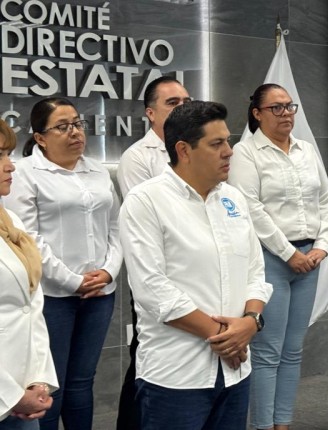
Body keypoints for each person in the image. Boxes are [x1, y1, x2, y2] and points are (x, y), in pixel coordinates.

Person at [119, 101, 271, 430]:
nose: (229, 151)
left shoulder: (233, 199)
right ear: (184, 150)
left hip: (235, 372)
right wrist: (225, 338)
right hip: (177, 374)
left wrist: (251, 321)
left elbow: (255, 272)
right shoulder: (145, 201)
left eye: (227, 141)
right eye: (216, 144)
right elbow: (153, 290)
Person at [5, 98, 123, 430]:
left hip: (101, 293)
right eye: (62, 126)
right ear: (40, 137)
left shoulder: (97, 170)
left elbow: (116, 226)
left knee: (82, 382)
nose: (75, 132)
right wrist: (73, 281)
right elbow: (28, 238)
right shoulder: (25, 173)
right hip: (53, 297)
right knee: (49, 386)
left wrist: (109, 271)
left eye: (77, 123)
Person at [228, 83, 328, 430]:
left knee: (293, 350)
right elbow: (250, 207)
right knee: (267, 351)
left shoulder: (306, 150)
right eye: (276, 107)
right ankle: (263, 425)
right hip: (270, 259)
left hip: (310, 258)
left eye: (290, 106)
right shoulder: (246, 152)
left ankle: (283, 424)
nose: (286, 113)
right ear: (257, 113)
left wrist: (322, 245)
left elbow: (326, 199)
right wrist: (289, 253)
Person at [115, 75, 191, 430]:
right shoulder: (137, 157)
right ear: (150, 113)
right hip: (158, 272)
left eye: (186, 101)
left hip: (198, 271)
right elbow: (148, 220)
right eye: (173, 103)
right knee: (145, 358)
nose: (182, 108)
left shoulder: (197, 149)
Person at [0, 119, 58, 429]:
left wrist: (38, 380)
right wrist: (9, 395)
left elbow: (32, 307)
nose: (10, 166)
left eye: (8, 154)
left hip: (23, 391)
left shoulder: (12, 222)